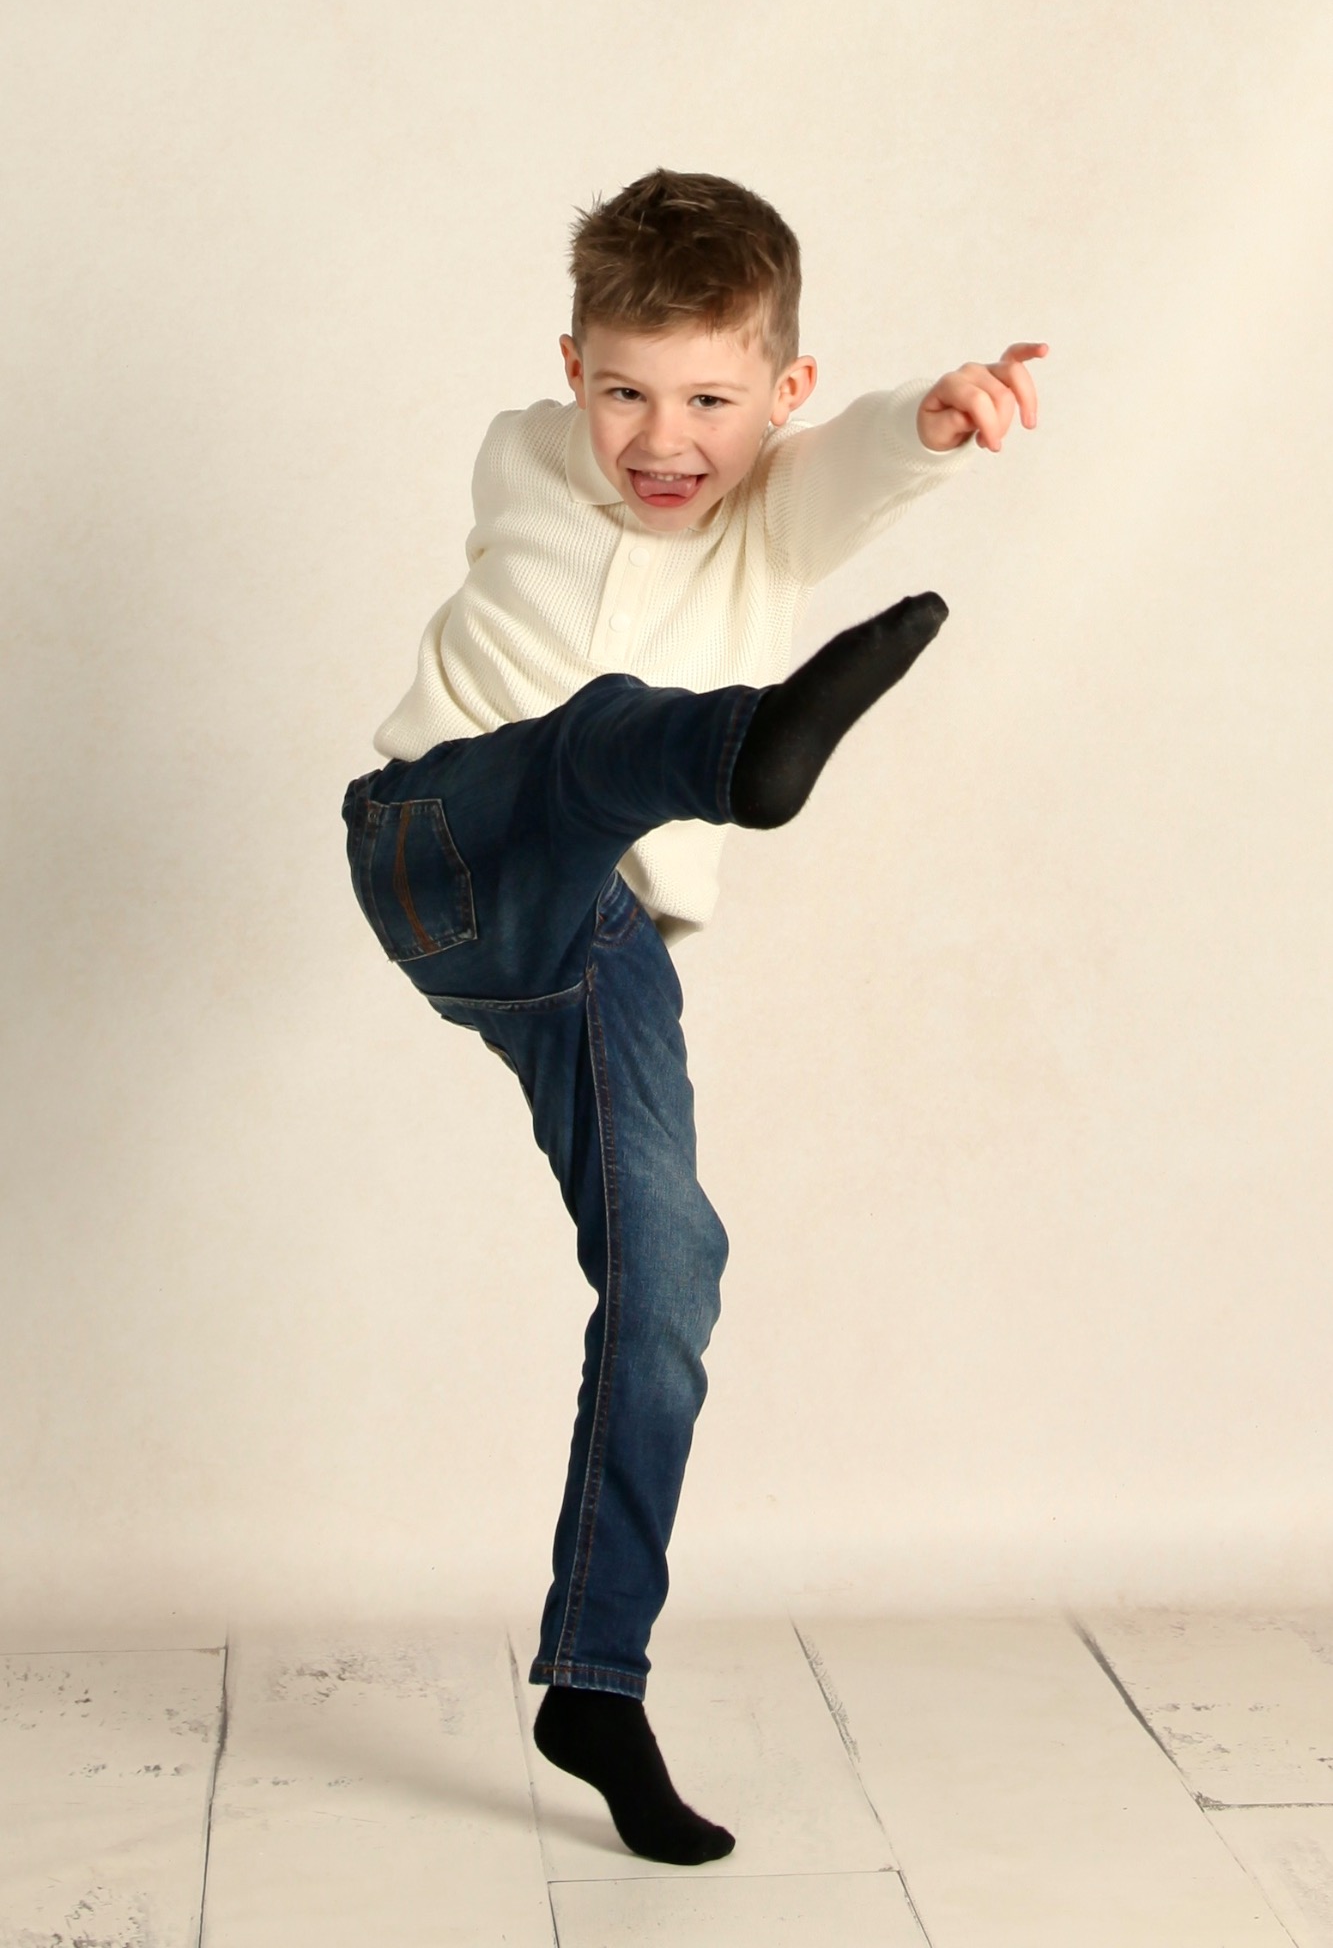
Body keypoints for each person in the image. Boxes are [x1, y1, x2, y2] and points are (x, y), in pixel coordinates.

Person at [341, 166, 1046, 1866]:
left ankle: (594, 1677)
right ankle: (735, 751)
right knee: (601, 725)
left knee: (671, 1273)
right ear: (566, 375)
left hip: (592, 934)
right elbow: (644, 418)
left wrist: (933, 419)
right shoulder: (522, 456)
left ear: (781, 395)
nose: (661, 442)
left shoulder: (772, 511)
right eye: (623, 395)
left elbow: (851, 463)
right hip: (441, 838)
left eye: (712, 404)